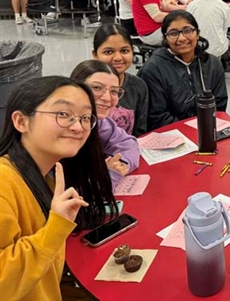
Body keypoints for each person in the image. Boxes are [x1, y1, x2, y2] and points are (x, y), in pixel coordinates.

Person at [0, 76, 117, 300]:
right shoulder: (3, 182)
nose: (78, 126)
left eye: (85, 117)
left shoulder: (50, 176)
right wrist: (56, 226)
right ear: (21, 121)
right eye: (63, 114)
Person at [138, 11, 228, 130]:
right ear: (166, 38)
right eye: (173, 33)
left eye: (187, 31)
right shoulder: (153, 69)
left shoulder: (212, 63)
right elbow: (157, 116)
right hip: (170, 135)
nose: (182, 38)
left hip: (208, 130)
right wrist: (191, 132)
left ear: (197, 33)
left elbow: (220, 103)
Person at [69, 61, 140, 189]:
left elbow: (128, 144)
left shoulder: (100, 122)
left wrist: (120, 164)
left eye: (114, 91)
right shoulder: (61, 128)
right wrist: (110, 176)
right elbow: (77, 192)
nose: (107, 98)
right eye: (96, 88)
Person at [92, 24, 149, 136]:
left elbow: (140, 130)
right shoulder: (85, 87)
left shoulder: (138, 86)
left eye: (124, 51)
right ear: (95, 55)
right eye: (108, 52)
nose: (118, 58)